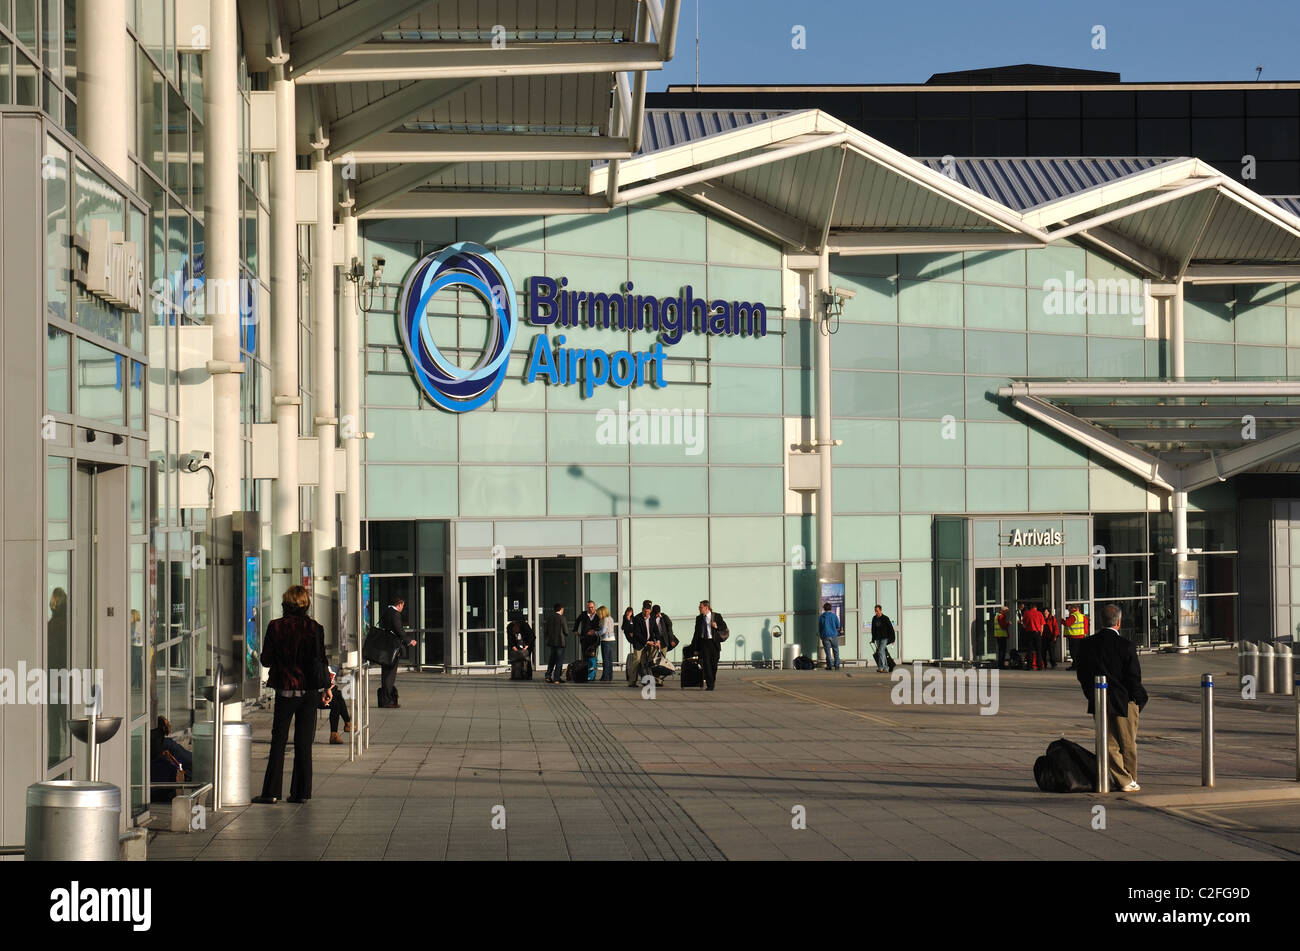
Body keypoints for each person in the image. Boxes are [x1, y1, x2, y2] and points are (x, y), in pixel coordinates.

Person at [254, 585, 330, 804]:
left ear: (285, 604)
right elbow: (321, 660)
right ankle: (301, 793)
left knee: (278, 741)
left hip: (286, 690)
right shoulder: (315, 628)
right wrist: (327, 688)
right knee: (304, 743)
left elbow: (266, 660)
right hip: (309, 692)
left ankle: (271, 792)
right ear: (306, 604)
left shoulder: (276, 627)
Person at [1074, 603, 1149, 791]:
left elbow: (1081, 674)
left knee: (1108, 743)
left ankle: (1122, 779)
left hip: (1099, 699)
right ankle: (1129, 778)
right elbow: (1134, 677)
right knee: (1128, 742)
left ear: (1101, 621)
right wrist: (1139, 699)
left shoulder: (1087, 644)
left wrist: (1090, 694)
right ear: (1119, 622)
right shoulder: (1126, 646)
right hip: (1124, 700)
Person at [378, 596, 415, 708]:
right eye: (403, 605)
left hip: (385, 647)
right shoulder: (395, 614)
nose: (403, 608)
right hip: (392, 648)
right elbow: (399, 629)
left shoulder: (386, 611)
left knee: (385, 673)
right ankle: (387, 700)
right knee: (390, 674)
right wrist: (409, 641)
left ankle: (385, 698)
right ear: (399, 604)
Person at [325, 668, 355, 744]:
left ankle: (346, 725)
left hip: (321, 691)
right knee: (336, 702)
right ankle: (335, 733)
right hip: (313, 694)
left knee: (338, 694)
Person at [544, 603, 567, 684]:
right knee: (559, 661)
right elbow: (565, 631)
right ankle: (557, 678)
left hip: (552, 642)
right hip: (560, 642)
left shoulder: (549, 617)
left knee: (552, 660)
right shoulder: (562, 618)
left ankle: (548, 676)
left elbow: (546, 630)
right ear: (561, 609)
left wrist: (547, 638)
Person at [870, 604, 896, 673]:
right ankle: (881, 667)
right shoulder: (874, 618)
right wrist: (873, 638)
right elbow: (873, 629)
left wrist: (893, 639)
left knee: (881, 651)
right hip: (878, 638)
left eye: (877, 611)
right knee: (881, 652)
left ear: (881, 610)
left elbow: (891, 629)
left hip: (884, 638)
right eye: (875, 611)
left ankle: (884, 667)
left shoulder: (885, 618)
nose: (876, 613)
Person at [817, 602, 842, 670]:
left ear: (824, 609)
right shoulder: (834, 616)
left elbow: (820, 627)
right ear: (830, 608)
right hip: (833, 635)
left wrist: (821, 635)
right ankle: (837, 665)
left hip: (825, 636)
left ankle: (829, 666)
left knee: (828, 652)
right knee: (836, 651)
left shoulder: (821, 617)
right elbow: (838, 626)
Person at [1022, 602, 1046, 671]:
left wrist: (1026, 628)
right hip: (1037, 633)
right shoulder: (1039, 614)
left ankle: (1029, 666)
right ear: (1036, 607)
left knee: (1029, 650)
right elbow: (1042, 625)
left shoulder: (1026, 613)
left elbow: (1023, 624)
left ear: (1031, 607)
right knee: (1038, 650)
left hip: (1029, 633)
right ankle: (1039, 666)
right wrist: (1041, 633)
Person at [1064, 604, 1088, 670]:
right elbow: (1086, 626)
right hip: (1081, 636)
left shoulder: (1073, 616)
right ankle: (1078, 665)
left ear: (1073, 609)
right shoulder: (1082, 616)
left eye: (1069, 609)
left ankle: (1075, 666)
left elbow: (1067, 623)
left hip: (1074, 637)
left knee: (1073, 652)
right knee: (1078, 652)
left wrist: (1062, 621)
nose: (1068, 611)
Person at [597, 606, 617, 681]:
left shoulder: (605, 619)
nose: (598, 615)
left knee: (605, 659)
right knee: (609, 659)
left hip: (606, 639)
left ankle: (605, 677)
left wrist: (596, 633)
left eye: (599, 613)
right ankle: (609, 676)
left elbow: (604, 630)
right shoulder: (610, 618)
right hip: (612, 639)